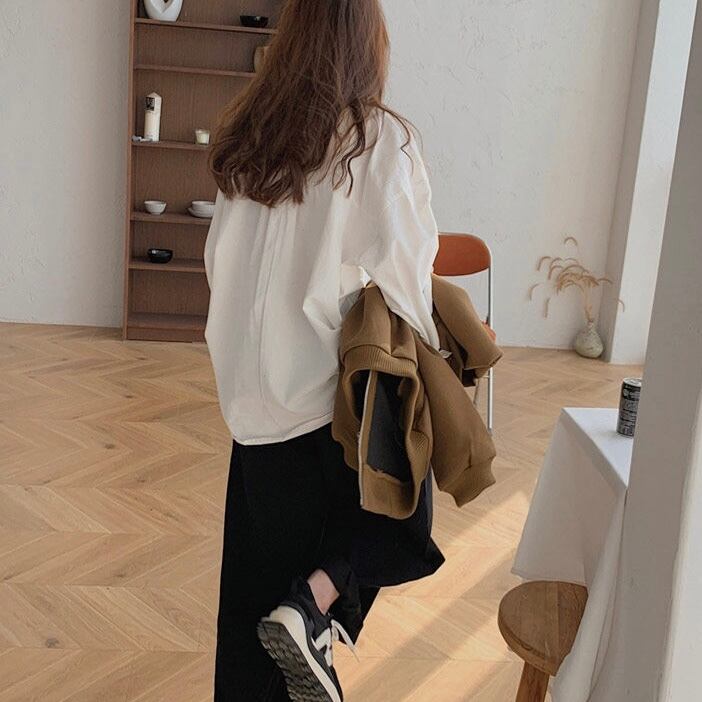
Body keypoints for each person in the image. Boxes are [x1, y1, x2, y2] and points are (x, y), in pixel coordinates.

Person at [204, 1, 444, 700]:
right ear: (368, 42)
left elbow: (221, 267)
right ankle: (315, 603)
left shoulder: (248, 134)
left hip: (249, 409)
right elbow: (410, 289)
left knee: (246, 615)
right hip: (319, 415)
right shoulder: (376, 140)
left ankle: (308, 613)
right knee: (405, 501)